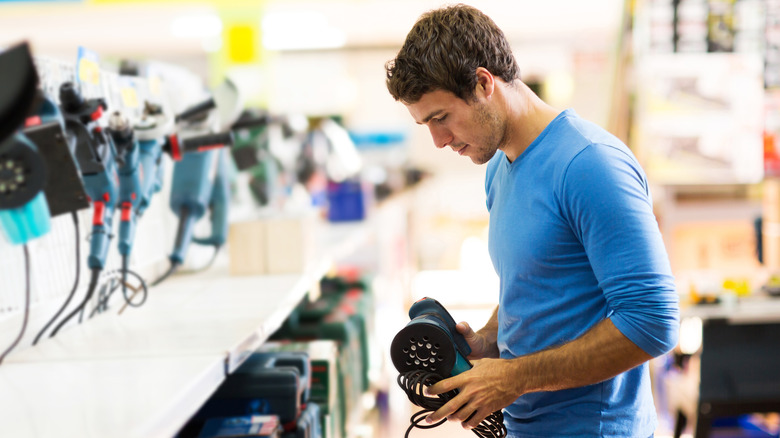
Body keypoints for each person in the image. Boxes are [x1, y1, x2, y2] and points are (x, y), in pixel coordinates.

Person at [385, 4, 680, 437]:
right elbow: (541, 286)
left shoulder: (589, 164)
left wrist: (514, 377)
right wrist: (488, 339)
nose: (439, 141)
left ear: (484, 83)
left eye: (440, 118)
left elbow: (653, 321)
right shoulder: (499, 169)